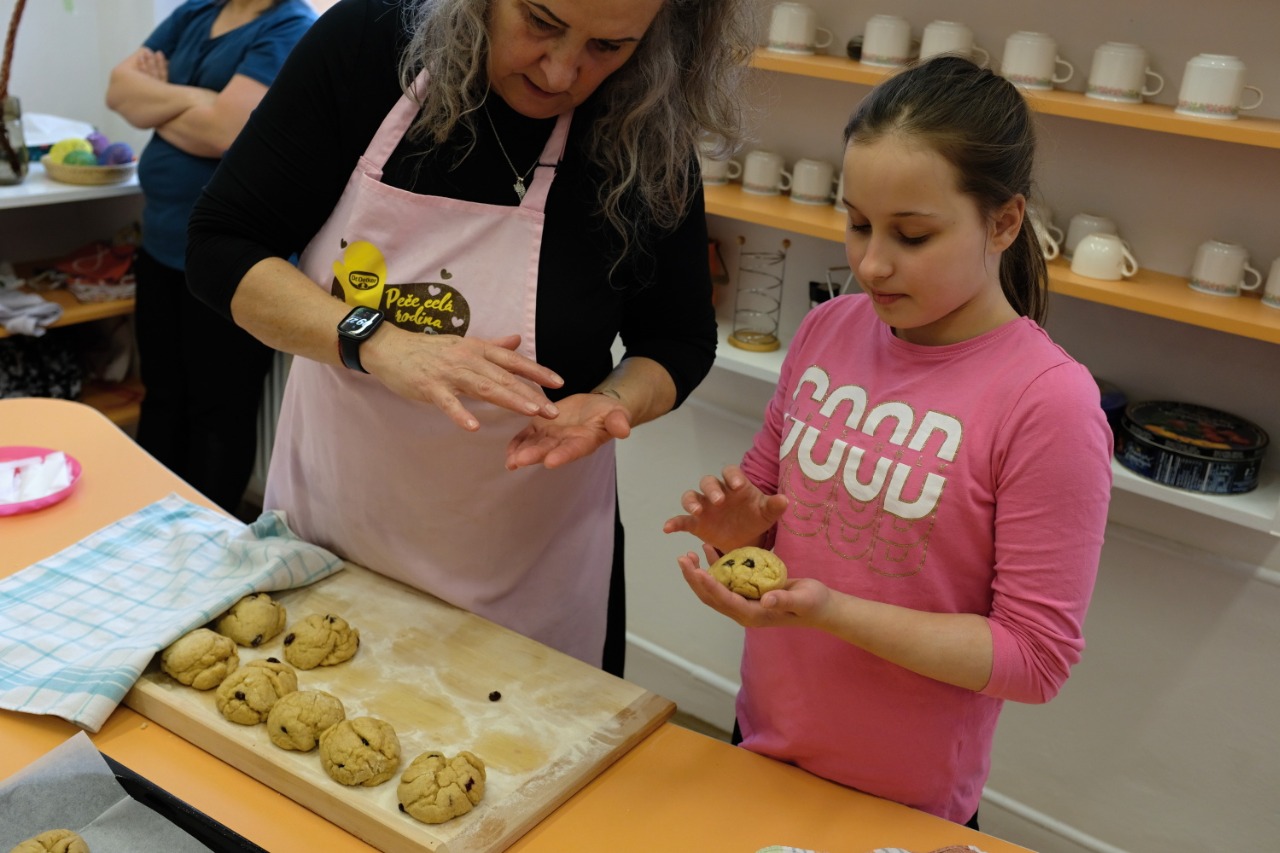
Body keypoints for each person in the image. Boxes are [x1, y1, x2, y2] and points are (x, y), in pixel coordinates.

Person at [185, 0, 756, 675]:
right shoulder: (370, 46)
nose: (561, 72)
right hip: (333, 535)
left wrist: (614, 402)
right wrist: (377, 340)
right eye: (541, 22)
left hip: (527, 568)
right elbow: (222, 248)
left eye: (607, 46)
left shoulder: (642, 126)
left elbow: (677, 339)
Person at [663, 55, 1113, 828]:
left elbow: (1034, 657)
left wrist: (833, 610)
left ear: (1003, 222)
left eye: (911, 234)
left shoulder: (1049, 402)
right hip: (765, 739)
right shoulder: (829, 329)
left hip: (908, 799)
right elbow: (766, 511)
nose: (871, 263)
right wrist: (736, 530)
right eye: (858, 223)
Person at [105, 0, 317, 514]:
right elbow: (118, 92)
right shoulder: (196, 10)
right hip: (161, 247)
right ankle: (148, 520)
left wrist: (160, 102)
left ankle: (208, 535)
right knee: (162, 394)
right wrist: (200, 101)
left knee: (218, 413)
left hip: (234, 266)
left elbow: (226, 133)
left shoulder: (291, 27)